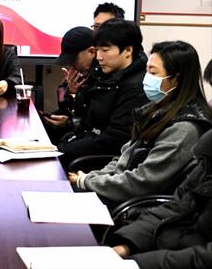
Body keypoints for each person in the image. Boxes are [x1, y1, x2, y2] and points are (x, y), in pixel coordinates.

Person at [69, 41, 212, 209]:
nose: (146, 78)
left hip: (136, 207)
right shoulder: (158, 110)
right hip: (118, 191)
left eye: (153, 72)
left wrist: (88, 181)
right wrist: (92, 178)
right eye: (147, 70)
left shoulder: (184, 128)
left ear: (176, 79)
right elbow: (125, 157)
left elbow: (143, 183)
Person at [108, 128, 212, 269]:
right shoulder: (207, 157)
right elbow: (175, 207)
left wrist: (139, 262)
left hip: (181, 259)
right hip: (167, 249)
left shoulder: (184, 130)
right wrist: (127, 244)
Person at [56, 19, 149, 168]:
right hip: (84, 143)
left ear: (128, 50)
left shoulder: (137, 87)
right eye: (97, 50)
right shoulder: (102, 74)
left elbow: (113, 139)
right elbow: (85, 120)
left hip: (104, 162)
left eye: (105, 50)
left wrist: (61, 151)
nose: (99, 57)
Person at [43, 26, 97, 142]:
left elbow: (91, 118)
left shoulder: (102, 74)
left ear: (91, 52)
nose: (71, 64)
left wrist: (70, 123)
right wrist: (71, 92)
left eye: (74, 59)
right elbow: (63, 105)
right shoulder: (78, 72)